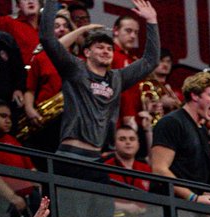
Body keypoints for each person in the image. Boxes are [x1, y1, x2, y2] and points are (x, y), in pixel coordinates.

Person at [38, 0, 158, 165]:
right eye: (100, 47)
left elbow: (150, 61)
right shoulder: (75, 69)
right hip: (69, 156)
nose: (106, 51)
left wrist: (152, 21)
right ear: (87, 52)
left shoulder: (117, 78)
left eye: (109, 49)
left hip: (97, 159)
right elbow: (47, 38)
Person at [151, 71, 210, 204]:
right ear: (195, 95)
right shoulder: (172, 122)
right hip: (169, 208)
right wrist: (192, 197)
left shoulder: (203, 130)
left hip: (190, 210)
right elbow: (159, 169)